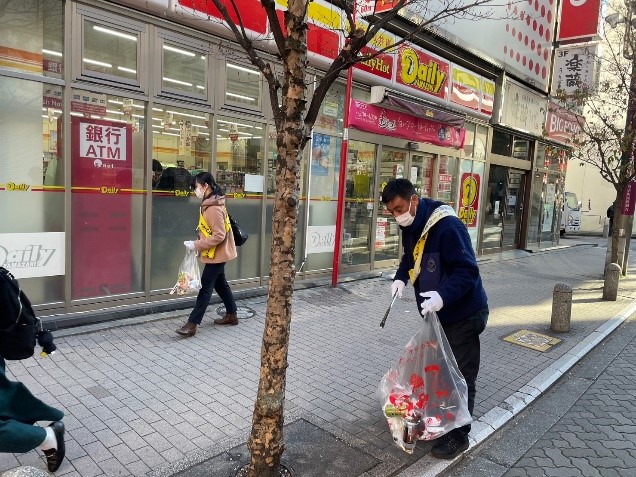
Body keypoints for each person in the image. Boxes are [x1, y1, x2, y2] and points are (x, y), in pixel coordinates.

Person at [381, 178, 488, 460]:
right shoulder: (411, 226)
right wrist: (400, 279)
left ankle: (459, 436)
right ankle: (443, 421)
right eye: (392, 212)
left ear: (414, 200)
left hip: (464, 313)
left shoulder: (447, 227)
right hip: (437, 317)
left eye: (400, 208)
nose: (397, 215)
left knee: (461, 375)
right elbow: (410, 258)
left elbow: (468, 271)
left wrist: (442, 296)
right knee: (440, 372)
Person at [176, 172, 238, 337]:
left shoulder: (214, 208)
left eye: (196, 186)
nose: (195, 190)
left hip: (217, 254)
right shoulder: (210, 203)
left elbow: (219, 235)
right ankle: (232, 314)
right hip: (215, 252)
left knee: (205, 287)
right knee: (220, 283)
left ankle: (192, 324)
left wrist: (196, 245)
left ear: (205, 186)